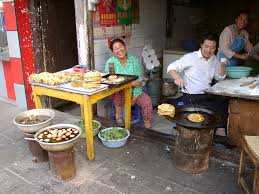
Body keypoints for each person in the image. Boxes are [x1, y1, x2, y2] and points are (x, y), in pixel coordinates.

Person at [167, 33, 228, 128]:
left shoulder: (215, 60)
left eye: (212, 47)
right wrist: (177, 78)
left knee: (219, 112)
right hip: (190, 96)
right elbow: (172, 67)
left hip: (206, 95)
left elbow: (219, 77)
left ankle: (209, 135)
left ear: (216, 48)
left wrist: (223, 65)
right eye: (206, 46)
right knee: (196, 120)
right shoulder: (190, 57)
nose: (208, 50)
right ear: (201, 45)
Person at [105, 38, 153, 128]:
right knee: (119, 95)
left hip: (134, 90)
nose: (119, 50)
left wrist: (134, 98)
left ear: (125, 47)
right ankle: (118, 116)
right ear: (113, 52)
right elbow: (112, 80)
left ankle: (147, 124)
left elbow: (138, 82)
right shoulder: (111, 62)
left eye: (121, 47)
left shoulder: (133, 60)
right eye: (116, 48)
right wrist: (130, 83)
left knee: (147, 101)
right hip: (118, 90)